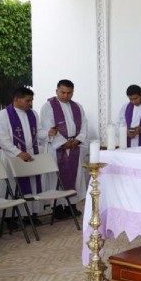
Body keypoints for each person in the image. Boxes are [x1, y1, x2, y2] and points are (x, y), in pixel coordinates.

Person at [0, 87, 50, 222]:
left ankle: (31, 215)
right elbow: (3, 139)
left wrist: (49, 133)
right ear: (16, 99)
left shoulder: (33, 114)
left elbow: (38, 132)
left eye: (31, 100)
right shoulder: (3, 115)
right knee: (13, 186)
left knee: (32, 185)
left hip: (31, 155)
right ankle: (11, 218)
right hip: (12, 157)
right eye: (28, 100)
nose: (30, 103)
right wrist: (19, 153)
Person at [40, 79, 88, 218]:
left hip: (74, 147)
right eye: (63, 92)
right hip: (57, 149)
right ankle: (58, 208)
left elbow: (84, 125)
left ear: (73, 92)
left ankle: (71, 205)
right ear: (56, 91)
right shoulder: (48, 107)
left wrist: (77, 140)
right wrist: (63, 143)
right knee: (56, 178)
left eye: (69, 93)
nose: (66, 96)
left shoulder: (78, 107)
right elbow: (48, 126)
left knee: (76, 177)